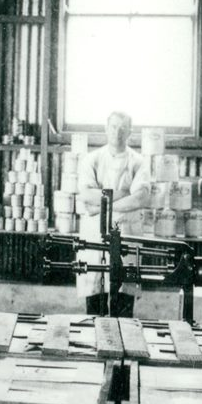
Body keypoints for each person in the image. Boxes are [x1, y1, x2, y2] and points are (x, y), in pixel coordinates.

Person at [76, 110, 151, 316]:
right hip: (95, 234)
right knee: (94, 297)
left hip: (127, 230)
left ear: (130, 133)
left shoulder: (138, 162)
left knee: (124, 299)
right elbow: (86, 194)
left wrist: (102, 205)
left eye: (123, 128)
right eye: (114, 127)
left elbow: (141, 197)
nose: (118, 132)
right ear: (106, 129)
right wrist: (124, 193)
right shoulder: (91, 159)